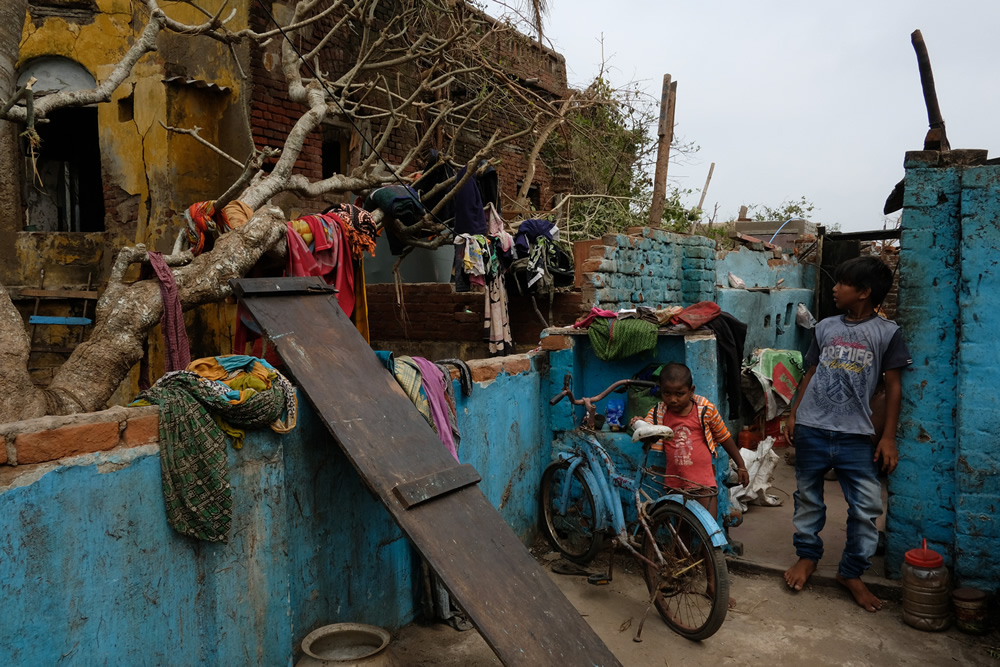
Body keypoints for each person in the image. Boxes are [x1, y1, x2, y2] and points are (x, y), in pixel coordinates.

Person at [783, 255, 911, 612]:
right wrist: (794, 414)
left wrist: (887, 436)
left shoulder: (887, 333)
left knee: (867, 507)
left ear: (864, 293)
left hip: (857, 434)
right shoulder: (824, 327)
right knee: (808, 497)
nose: (835, 289)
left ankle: (852, 572)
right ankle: (807, 556)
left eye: (842, 284)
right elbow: (810, 373)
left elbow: (894, 386)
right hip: (813, 427)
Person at [630, 362, 750, 518]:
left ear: (691, 391)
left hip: (703, 483)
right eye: (667, 393)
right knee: (682, 530)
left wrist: (741, 465)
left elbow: (724, 437)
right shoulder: (659, 412)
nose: (673, 399)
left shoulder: (705, 410)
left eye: (679, 394)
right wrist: (638, 423)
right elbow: (647, 433)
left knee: (709, 528)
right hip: (674, 483)